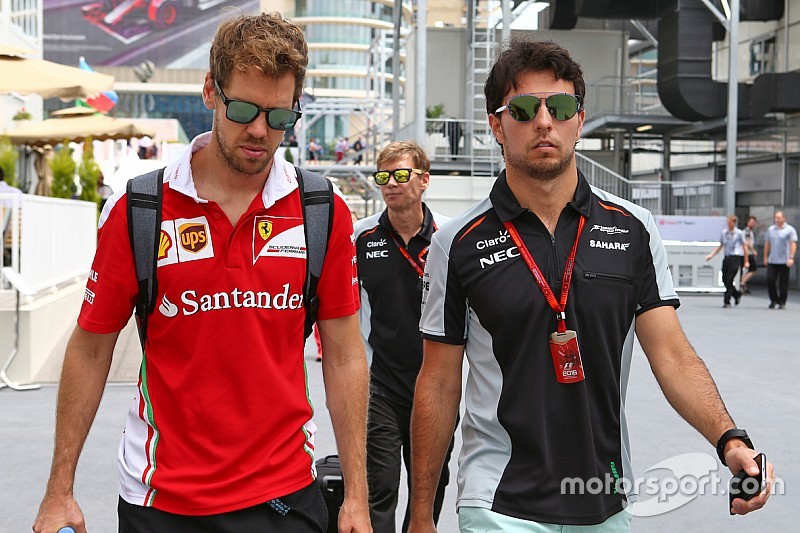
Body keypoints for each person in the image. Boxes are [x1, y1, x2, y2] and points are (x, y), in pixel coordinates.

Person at [408, 39, 774, 533]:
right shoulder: (459, 241)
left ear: (579, 119)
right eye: (523, 108)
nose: (544, 122)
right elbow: (439, 381)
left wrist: (730, 438)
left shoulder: (633, 228)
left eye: (559, 107)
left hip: (603, 497)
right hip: (497, 499)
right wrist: (421, 514)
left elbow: (672, 354)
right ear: (497, 125)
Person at [33, 12, 371, 533]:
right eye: (243, 109)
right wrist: (60, 487)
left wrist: (356, 497)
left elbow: (345, 356)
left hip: (282, 497)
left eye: (279, 117)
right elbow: (91, 348)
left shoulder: (320, 210)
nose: (260, 130)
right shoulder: (139, 208)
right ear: (210, 92)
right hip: (160, 500)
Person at [354, 142, 453, 532]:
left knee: (429, 488)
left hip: (437, 387)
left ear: (424, 179)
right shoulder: (361, 237)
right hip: (381, 386)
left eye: (400, 175)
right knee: (379, 486)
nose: (390, 184)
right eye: (383, 177)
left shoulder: (449, 236)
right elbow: (351, 314)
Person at [705, 214, 748, 307]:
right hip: (727, 257)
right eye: (727, 222)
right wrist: (711, 255)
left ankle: (726, 301)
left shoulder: (739, 233)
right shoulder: (724, 232)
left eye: (730, 222)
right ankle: (736, 294)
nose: (728, 224)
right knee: (724, 279)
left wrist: (746, 260)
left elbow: (744, 246)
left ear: (734, 223)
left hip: (736, 257)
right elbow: (721, 245)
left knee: (730, 278)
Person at [763, 210, 798, 309]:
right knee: (770, 279)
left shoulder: (790, 230)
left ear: (784, 218)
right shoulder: (771, 230)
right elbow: (767, 244)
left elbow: (793, 244)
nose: (776, 220)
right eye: (775, 218)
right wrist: (765, 257)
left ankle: (782, 301)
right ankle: (773, 299)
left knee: (783, 282)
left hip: (784, 260)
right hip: (772, 260)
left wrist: (791, 257)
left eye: (778, 218)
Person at [741, 215, 758, 293]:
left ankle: (744, 286)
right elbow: (747, 242)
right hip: (748, 253)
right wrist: (753, 250)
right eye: (751, 222)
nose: (753, 224)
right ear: (748, 222)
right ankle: (742, 283)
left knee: (746, 270)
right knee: (753, 270)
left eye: (754, 222)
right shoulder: (747, 231)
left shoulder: (750, 231)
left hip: (747, 253)